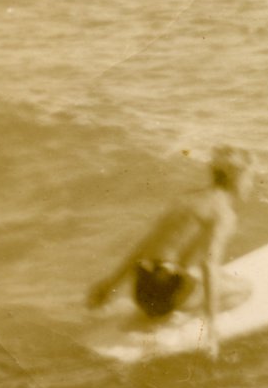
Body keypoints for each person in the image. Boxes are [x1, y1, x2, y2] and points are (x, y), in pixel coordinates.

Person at [87, 145, 255, 357]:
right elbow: (209, 266)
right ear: (236, 179)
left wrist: (110, 286)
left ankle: (156, 312)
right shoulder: (224, 213)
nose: (251, 185)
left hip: (141, 288)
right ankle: (173, 319)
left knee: (215, 276)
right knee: (244, 290)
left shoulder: (187, 199)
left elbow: (145, 246)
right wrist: (212, 328)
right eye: (249, 178)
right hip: (166, 297)